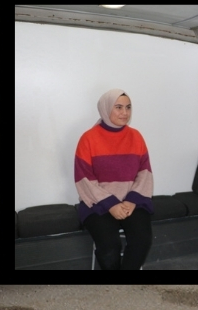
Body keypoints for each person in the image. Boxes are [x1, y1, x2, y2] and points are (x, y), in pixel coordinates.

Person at [74, 89, 154, 270]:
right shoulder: (88, 139)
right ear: (105, 108)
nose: (125, 113)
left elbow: (145, 173)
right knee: (110, 245)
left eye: (128, 107)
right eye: (118, 107)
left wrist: (132, 200)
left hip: (131, 201)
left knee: (142, 240)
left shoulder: (136, 137)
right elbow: (84, 179)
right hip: (97, 203)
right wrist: (111, 204)